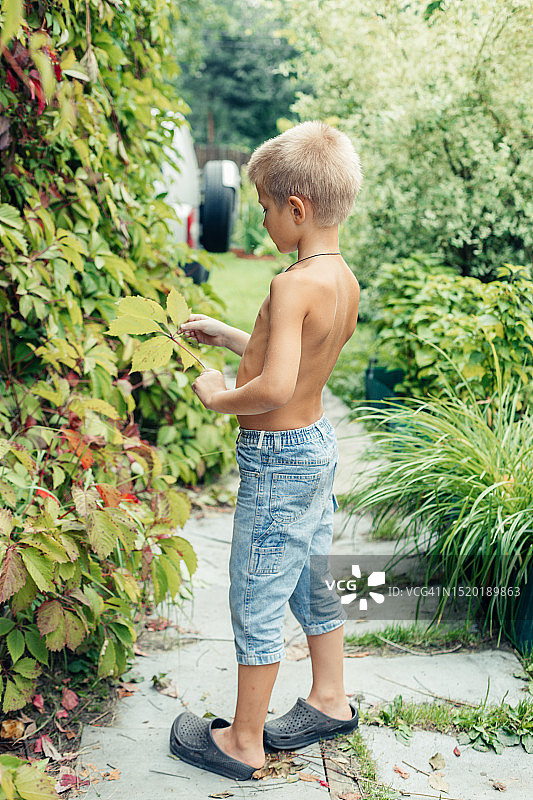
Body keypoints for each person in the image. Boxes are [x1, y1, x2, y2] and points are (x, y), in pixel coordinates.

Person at [169, 120, 363, 781]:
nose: (263, 222)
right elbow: (300, 359)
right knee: (312, 576)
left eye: (264, 209)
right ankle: (329, 699)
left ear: (296, 208)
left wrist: (215, 393)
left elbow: (273, 385)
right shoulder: (341, 279)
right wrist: (228, 335)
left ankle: (243, 741)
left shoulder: (289, 284)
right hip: (314, 448)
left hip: (277, 461)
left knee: (253, 595)